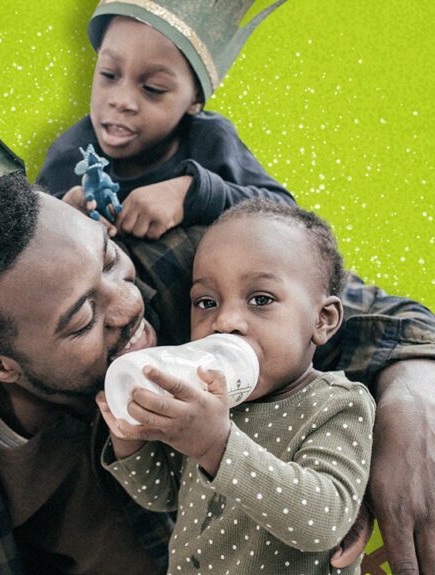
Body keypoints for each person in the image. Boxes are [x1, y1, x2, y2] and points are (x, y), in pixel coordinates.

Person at [0, 75, 435, 575]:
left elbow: (382, 319)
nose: (128, 305)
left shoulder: (189, 278)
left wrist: (409, 418)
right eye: (83, 319)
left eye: (108, 258)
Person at [99, 199, 375, 574]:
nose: (225, 321)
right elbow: (159, 495)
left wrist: (216, 445)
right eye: (206, 302)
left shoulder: (336, 404)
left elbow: (324, 522)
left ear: (322, 319)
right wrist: (130, 435)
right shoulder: (205, 398)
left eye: (261, 300)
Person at [36, 4, 293, 240]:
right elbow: (21, 243)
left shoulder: (211, 139)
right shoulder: (69, 154)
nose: (121, 100)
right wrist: (61, 214)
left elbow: (290, 217)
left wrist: (191, 194)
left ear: (195, 99)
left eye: (153, 88)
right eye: (109, 74)